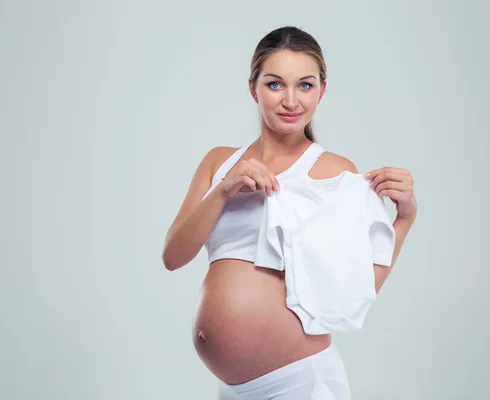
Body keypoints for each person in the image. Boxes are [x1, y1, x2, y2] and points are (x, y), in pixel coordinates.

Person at [162, 26, 417, 400]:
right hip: (232, 390)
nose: (291, 100)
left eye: (306, 85)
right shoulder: (219, 163)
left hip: (300, 383)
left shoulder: (333, 171)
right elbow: (173, 256)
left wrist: (404, 219)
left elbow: (357, 286)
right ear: (254, 88)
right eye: (276, 84)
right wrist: (224, 189)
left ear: (322, 91)